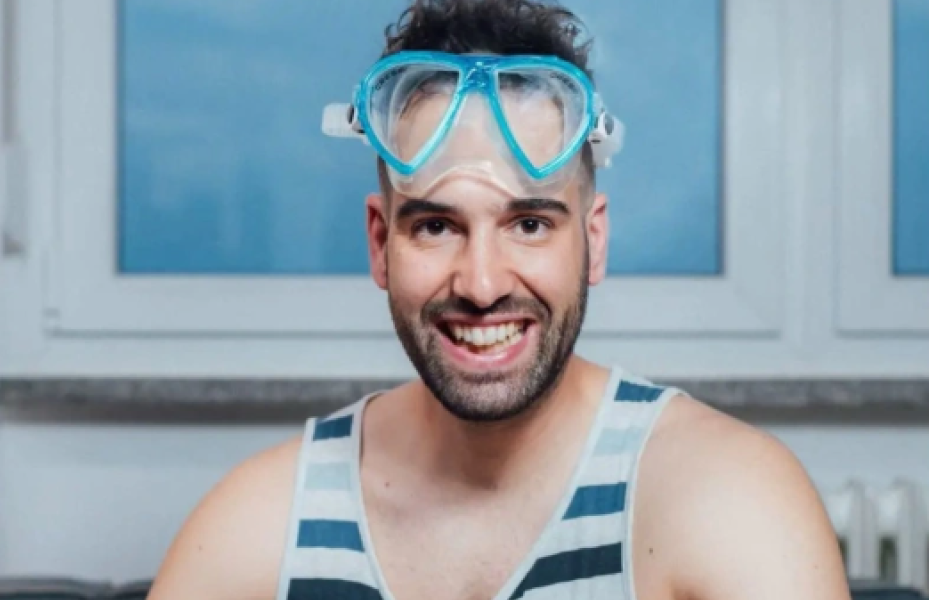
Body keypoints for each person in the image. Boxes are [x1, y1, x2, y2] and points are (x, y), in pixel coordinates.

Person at [146, 1, 852, 598]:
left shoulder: (729, 503)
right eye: (436, 226)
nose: (482, 286)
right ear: (380, 243)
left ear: (594, 240)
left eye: (530, 224)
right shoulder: (261, 529)